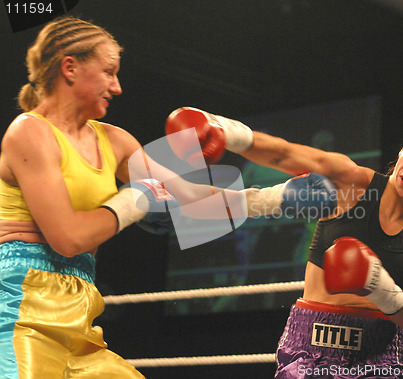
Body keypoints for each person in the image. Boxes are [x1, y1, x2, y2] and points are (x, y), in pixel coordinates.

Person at [0, 17, 339, 378]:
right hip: (21, 308)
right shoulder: (29, 133)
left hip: (80, 309)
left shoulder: (113, 140)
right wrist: (135, 201)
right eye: (108, 72)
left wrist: (276, 198)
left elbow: (188, 196)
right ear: (70, 67)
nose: (117, 87)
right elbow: (68, 239)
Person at [166, 107, 403, 378]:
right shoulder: (351, 182)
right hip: (311, 347)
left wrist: (376, 283)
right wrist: (223, 130)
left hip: (378, 356)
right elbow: (284, 153)